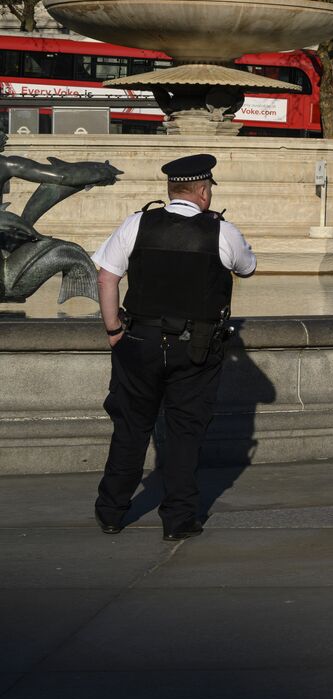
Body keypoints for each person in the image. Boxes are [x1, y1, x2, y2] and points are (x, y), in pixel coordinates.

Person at [91, 154, 256, 541]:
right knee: (185, 433)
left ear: (172, 189)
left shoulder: (137, 223)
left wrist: (114, 328)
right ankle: (179, 519)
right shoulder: (222, 232)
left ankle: (111, 512)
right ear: (202, 191)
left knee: (130, 428)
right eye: (209, 189)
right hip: (195, 348)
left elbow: (105, 277)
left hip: (139, 342)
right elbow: (247, 267)